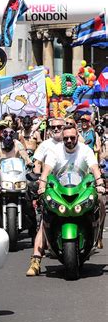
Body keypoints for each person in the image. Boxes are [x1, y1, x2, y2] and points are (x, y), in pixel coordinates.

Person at [36, 124, 105, 269]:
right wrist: (42, 185)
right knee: (45, 216)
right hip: (60, 190)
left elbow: (93, 167)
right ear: (62, 138)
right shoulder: (54, 150)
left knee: (100, 200)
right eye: (66, 138)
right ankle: (35, 258)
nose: (69, 140)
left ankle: (98, 232)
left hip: (81, 188)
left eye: (72, 137)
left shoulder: (85, 150)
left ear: (76, 136)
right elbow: (47, 169)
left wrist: (100, 183)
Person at [25, 118, 64, 276]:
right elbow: (37, 164)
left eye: (59, 126)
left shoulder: (73, 142)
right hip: (50, 187)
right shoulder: (45, 145)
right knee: (45, 221)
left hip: (73, 187)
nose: (56, 129)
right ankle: (36, 260)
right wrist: (39, 177)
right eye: (53, 127)